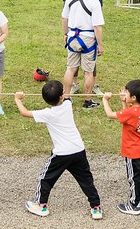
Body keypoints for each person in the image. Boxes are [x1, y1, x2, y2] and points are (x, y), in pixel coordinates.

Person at [14, 82, 103, 220]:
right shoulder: (67, 105)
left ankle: (41, 205)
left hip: (61, 154)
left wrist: (17, 99)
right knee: (86, 180)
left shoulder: (47, 113)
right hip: (78, 150)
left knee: (45, 179)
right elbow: (66, 96)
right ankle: (96, 207)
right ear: (61, 97)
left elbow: (24, 112)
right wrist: (62, 93)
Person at [102, 80, 140, 215]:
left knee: (134, 178)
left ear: (134, 97)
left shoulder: (131, 112)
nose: (124, 93)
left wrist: (105, 100)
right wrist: (124, 102)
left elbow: (110, 114)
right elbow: (127, 117)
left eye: (126, 92)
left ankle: (133, 204)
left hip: (133, 152)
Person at [61, 0, 105, 110]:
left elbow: (64, 18)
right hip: (88, 39)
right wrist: (101, 45)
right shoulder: (94, 2)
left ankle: (66, 98)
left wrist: (66, 34)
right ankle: (87, 100)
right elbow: (97, 27)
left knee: (70, 68)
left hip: (73, 37)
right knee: (88, 71)